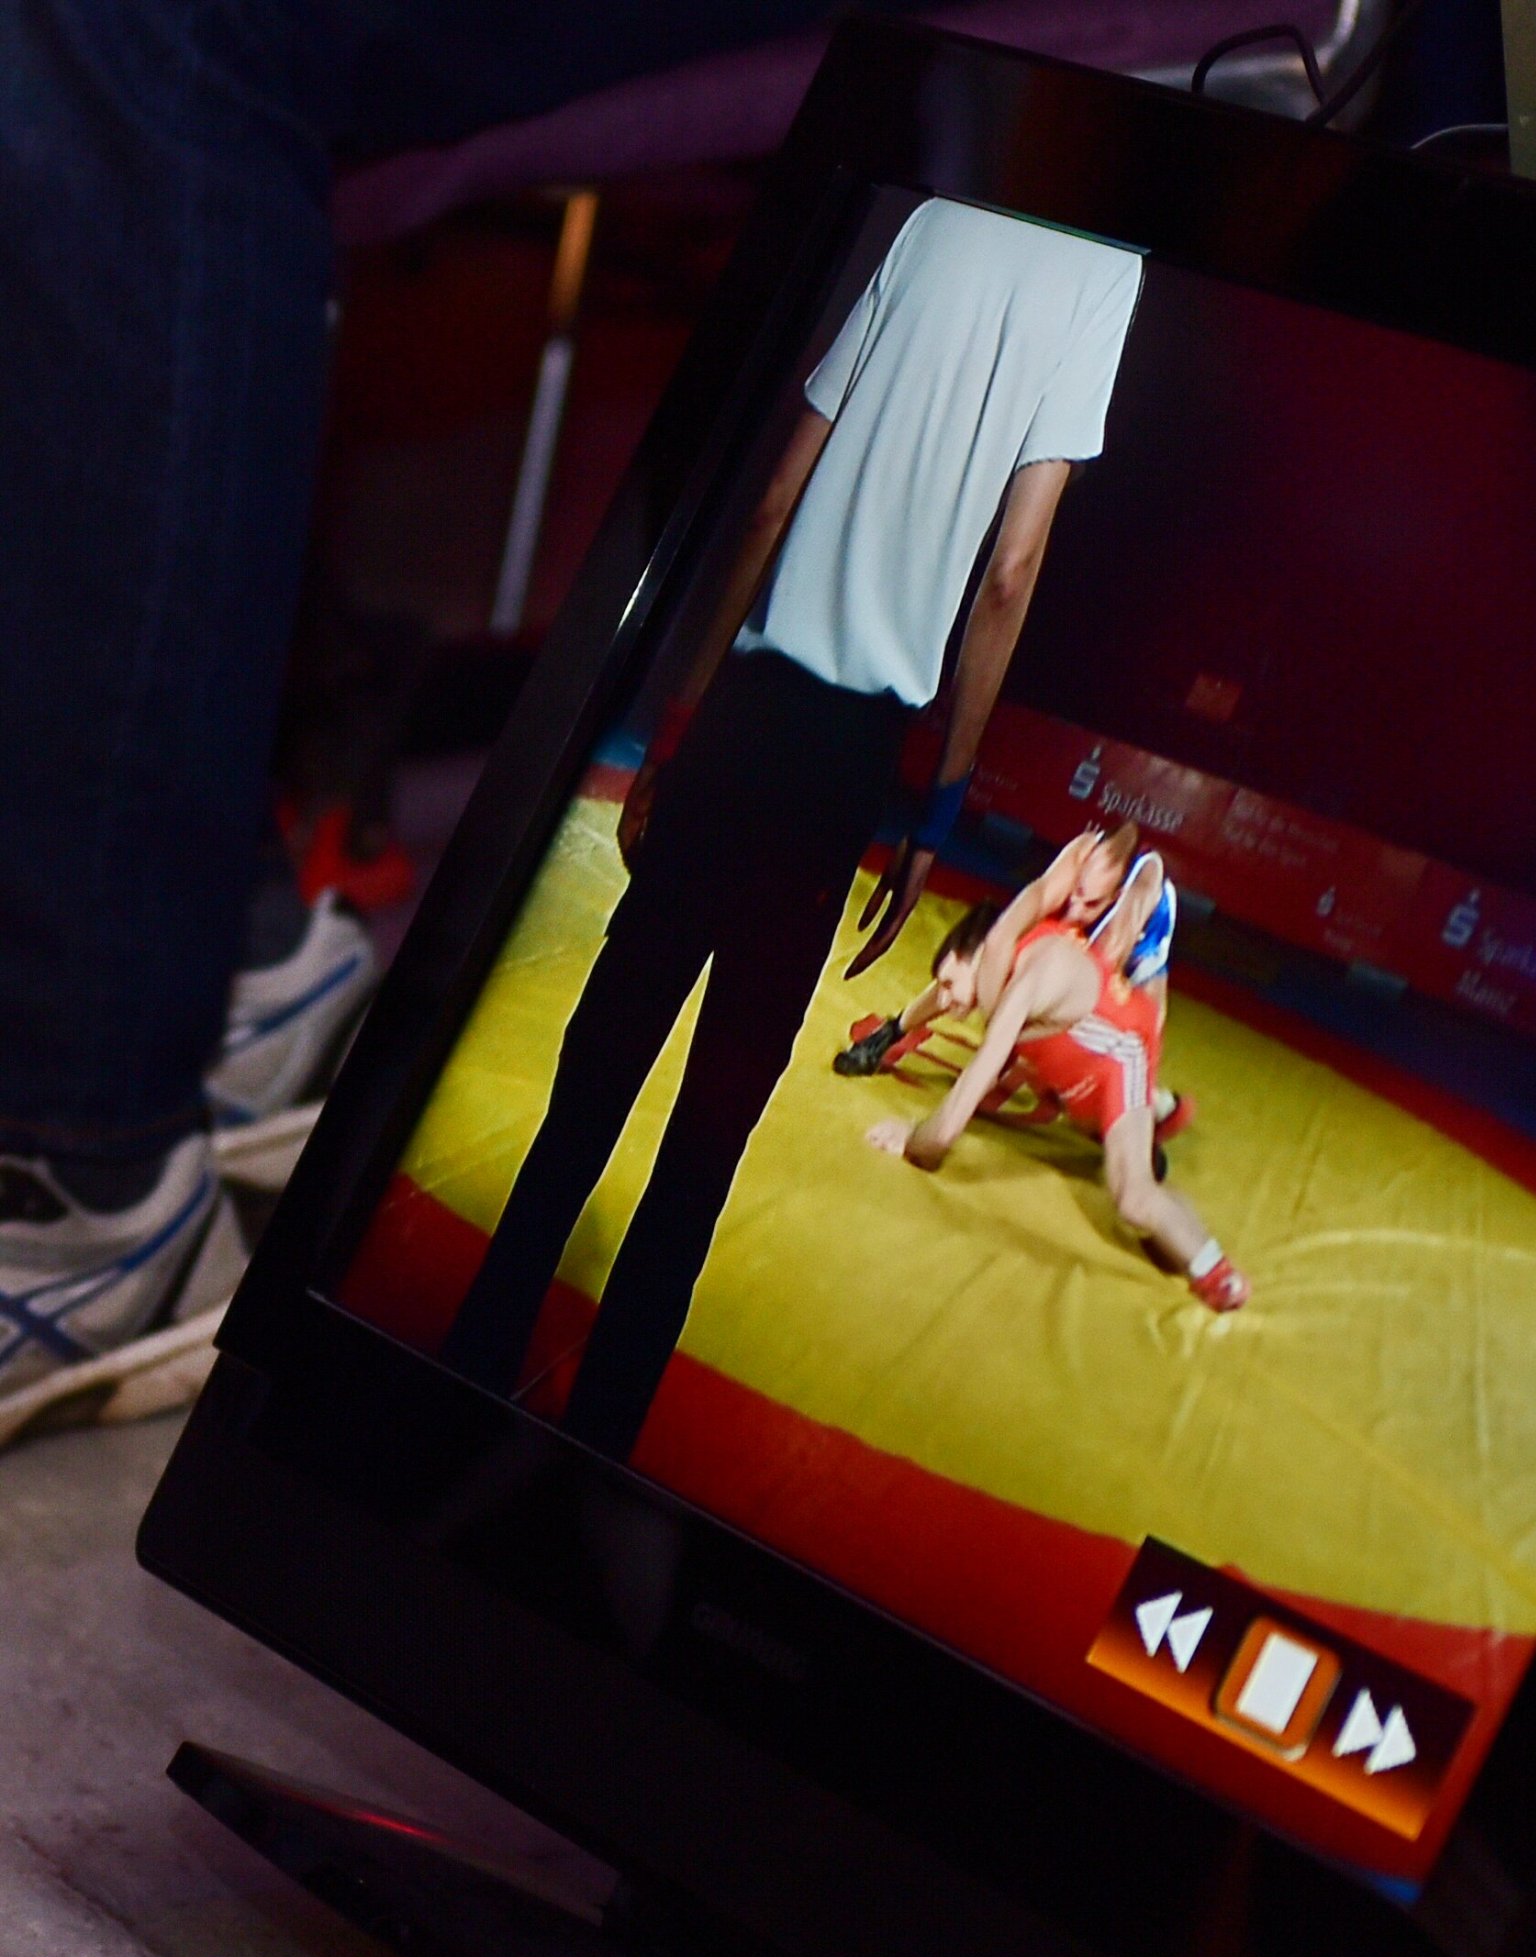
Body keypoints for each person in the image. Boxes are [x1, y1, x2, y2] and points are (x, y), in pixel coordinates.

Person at [0, 0, 924, 1450]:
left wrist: (692, 701)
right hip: (847, 744)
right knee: (702, 1088)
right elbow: (994, 571)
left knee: (137, 23)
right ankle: (209, 952)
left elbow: (838, 522)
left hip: (785, 721)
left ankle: (89, 1158)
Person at [441, 196, 1143, 1456]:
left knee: (595, 1073)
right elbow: (1011, 569)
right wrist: (938, 806)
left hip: (743, 716)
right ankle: (593, 1455)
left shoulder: (936, 216)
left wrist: (677, 724)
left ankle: (457, 1375)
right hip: (845, 766)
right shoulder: (1103, 273)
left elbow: (773, 497)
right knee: (709, 1137)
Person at [866, 875, 1249, 1312]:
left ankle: (1218, 1274)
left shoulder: (1026, 979)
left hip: (1121, 1053)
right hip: (1082, 1049)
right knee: (1056, 1091)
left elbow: (944, 1132)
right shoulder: (1004, 960)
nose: (947, 1002)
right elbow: (948, 990)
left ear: (980, 954)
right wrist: (895, 1028)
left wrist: (912, 1138)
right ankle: (1156, 1114)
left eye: (949, 983)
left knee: (1134, 1196)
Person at [837, 822, 1195, 1145]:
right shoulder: (1075, 863)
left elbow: (1081, 1006)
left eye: (1089, 904)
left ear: (1114, 895)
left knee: (1114, 1058)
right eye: (1076, 894)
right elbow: (1002, 935)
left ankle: (1154, 1110)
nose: (1074, 911)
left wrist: (1011, 1039)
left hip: (1137, 946)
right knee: (976, 966)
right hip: (1086, 922)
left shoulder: (1133, 906)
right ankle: (893, 1030)